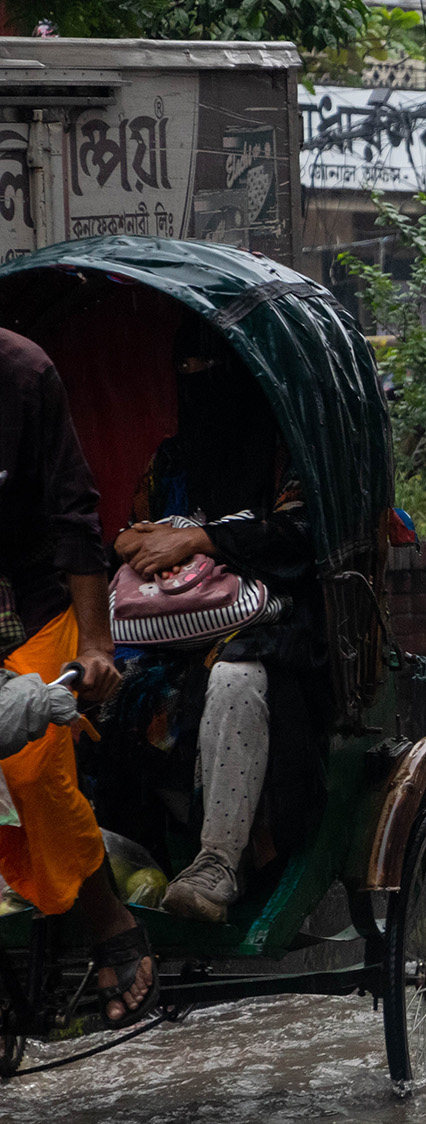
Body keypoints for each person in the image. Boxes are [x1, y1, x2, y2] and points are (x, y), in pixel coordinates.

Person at [118, 318, 321, 926]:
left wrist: (203, 538)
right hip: (166, 630)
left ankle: (219, 862)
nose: (198, 384)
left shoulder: (289, 451)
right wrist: (140, 539)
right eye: (186, 373)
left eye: (212, 371)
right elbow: (129, 531)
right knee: (94, 681)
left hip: (275, 625)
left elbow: (299, 538)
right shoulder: (172, 458)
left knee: (235, 679)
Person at [0, 325, 155, 1027]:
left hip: (31, 612)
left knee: (29, 757)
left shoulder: (24, 373)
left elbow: (74, 517)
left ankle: (106, 917)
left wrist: (96, 644)